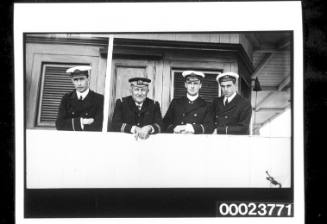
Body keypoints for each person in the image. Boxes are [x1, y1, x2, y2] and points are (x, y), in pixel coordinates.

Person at [55, 66, 104, 131]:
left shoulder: (99, 99)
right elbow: (59, 124)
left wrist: (71, 123)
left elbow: (99, 125)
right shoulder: (66, 98)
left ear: (88, 79)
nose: (79, 83)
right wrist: (82, 122)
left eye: (82, 79)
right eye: (76, 80)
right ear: (72, 80)